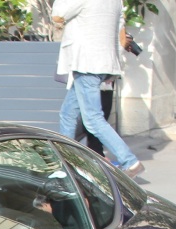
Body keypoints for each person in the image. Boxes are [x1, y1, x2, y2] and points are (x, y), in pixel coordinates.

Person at [53, 0, 144, 177]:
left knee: (93, 119)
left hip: (86, 64)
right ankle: (66, 164)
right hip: (103, 63)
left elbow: (58, 15)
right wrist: (113, 67)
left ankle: (129, 161)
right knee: (68, 113)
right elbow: (121, 34)